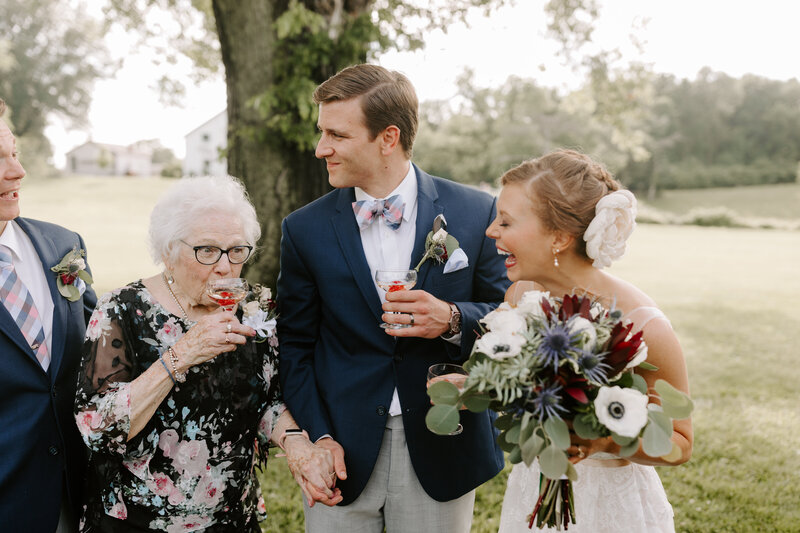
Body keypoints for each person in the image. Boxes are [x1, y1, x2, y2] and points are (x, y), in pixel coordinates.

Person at [277, 63, 511, 533]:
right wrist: (318, 437)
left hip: (443, 442)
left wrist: (451, 318)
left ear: (388, 137)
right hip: (339, 451)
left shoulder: (476, 211)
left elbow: (513, 316)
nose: (321, 148)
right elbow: (296, 346)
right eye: (322, 132)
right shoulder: (302, 228)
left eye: (336, 135)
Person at [74, 175, 340, 532]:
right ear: (169, 252)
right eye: (207, 251)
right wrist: (181, 354)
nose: (225, 267)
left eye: (236, 250)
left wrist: (296, 444)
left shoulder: (255, 307)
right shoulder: (122, 310)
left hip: (231, 520)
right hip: (134, 522)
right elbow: (97, 427)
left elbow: (268, 402)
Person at [487, 150, 693, 532]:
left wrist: (606, 440)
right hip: (534, 488)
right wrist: (479, 385)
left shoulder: (643, 325)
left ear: (560, 237)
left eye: (506, 221)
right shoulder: (520, 297)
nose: (491, 231)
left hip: (611, 506)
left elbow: (681, 443)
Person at [0, 97, 98, 532]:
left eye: (14, 153)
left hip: (78, 497)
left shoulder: (62, 246)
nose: (17, 172)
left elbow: (106, 340)